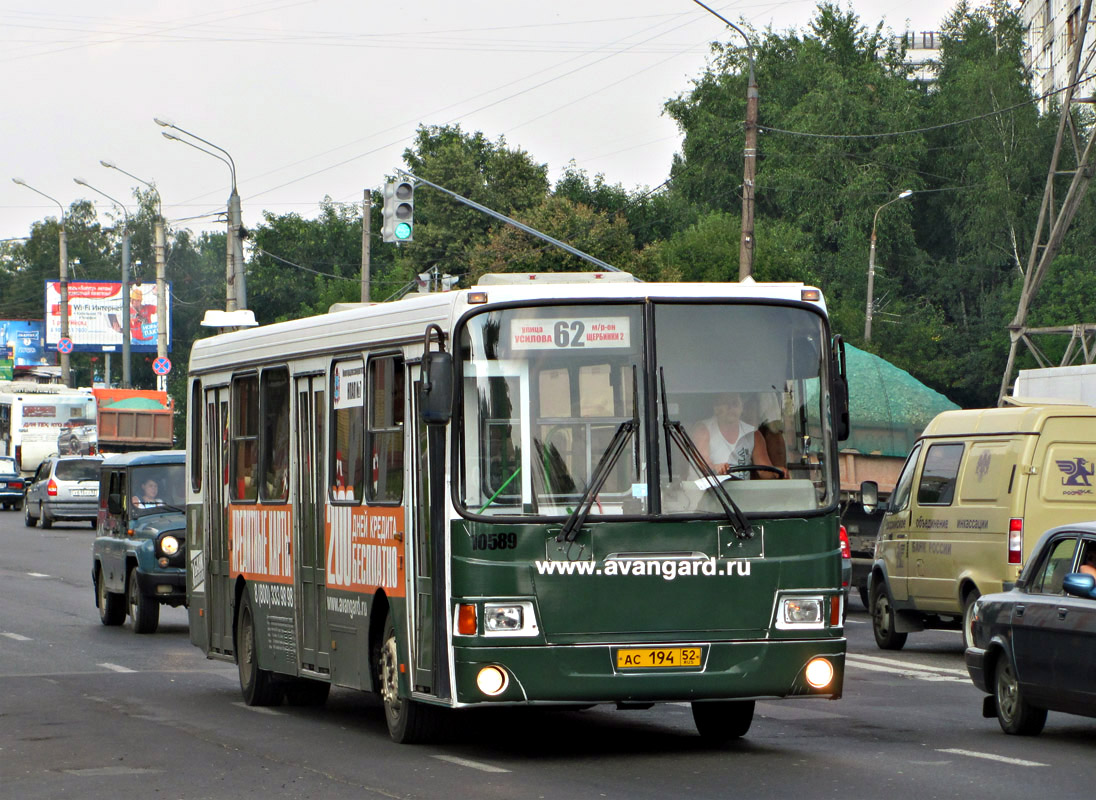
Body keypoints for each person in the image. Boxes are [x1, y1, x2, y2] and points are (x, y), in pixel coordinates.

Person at [692, 392, 783, 480]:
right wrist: (716, 468)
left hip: (741, 494)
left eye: (735, 403)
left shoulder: (754, 434)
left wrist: (777, 472)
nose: (731, 408)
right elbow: (702, 465)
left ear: (741, 407)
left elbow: (764, 471)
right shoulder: (703, 430)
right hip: (709, 492)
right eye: (726, 403)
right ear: (716, 408)